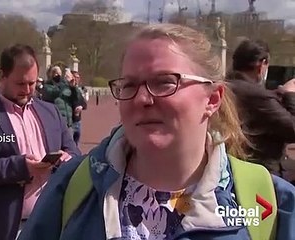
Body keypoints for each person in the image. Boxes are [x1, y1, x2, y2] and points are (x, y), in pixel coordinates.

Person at [18, 24, 295, 240]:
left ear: (213, 99)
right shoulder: (73, 186)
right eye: (129, 85)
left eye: (165, 82)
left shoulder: (271, 201)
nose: (142, 99)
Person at [0, 44, 81, 240]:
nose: (28, 90)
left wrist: (66, 159)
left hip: (53, 222)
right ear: (2, 76)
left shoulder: (51, 111)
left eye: (33, 83)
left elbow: (74, 153)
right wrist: (20, 167)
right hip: (5, 228)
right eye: (21, 84)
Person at [226, 39, 295, 184]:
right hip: (260, 173)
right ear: (261, 64)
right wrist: (290, 95)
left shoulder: (226, 87)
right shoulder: (258, 96)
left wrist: (277, 94)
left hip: (231, 168)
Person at [41, 66, 84, 133]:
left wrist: (73, 88)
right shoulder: (47, 86)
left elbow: (77, 99)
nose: (58, 75)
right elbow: (54, 93)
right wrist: (64, 84)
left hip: (68, 123)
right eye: (55, 73)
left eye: (59, 73)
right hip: (55, 122)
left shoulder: (66, 86)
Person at [70, 70, 87, 145]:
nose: (77, 79)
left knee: (76, 143)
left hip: (78, 121)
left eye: (78, 78)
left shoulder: (79, 90)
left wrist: (81, 106)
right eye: (75, 77)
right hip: (70, 122)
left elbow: (84, 104)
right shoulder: (66, 89)